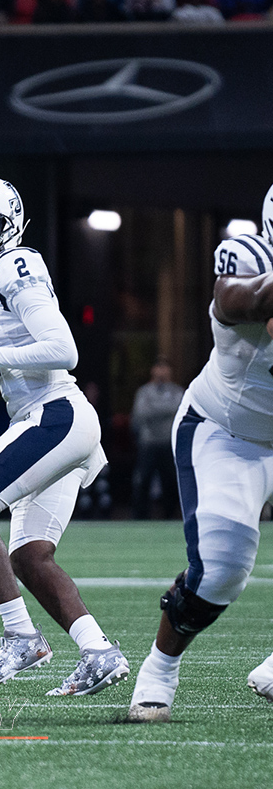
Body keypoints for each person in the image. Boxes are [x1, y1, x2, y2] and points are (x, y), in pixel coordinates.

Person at [0, 176, 129, 693]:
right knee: (29, 556)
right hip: (36, 415)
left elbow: (63, 350)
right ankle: (99, 652)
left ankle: (21, 638)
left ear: (8, 226)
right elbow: (6, 383)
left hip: (57, 413)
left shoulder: (19, 263)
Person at [128, 184, 273, 723]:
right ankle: (159, 669)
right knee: (221, 570)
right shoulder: (249, 256)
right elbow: (243, 302)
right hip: (229, 432)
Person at [130, 356, 184, 520]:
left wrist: (155, 409)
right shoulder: (144, 391)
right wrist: (167, 411)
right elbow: (141, 413)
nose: (161, 371)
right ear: (152, 370)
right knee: (142, 480)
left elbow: (180, 409)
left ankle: (169, 516)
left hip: (169, 443)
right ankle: (140, 517)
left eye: (165, 367)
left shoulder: (177, 391)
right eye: (158, 367)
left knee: (171, 481)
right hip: (148, 443)